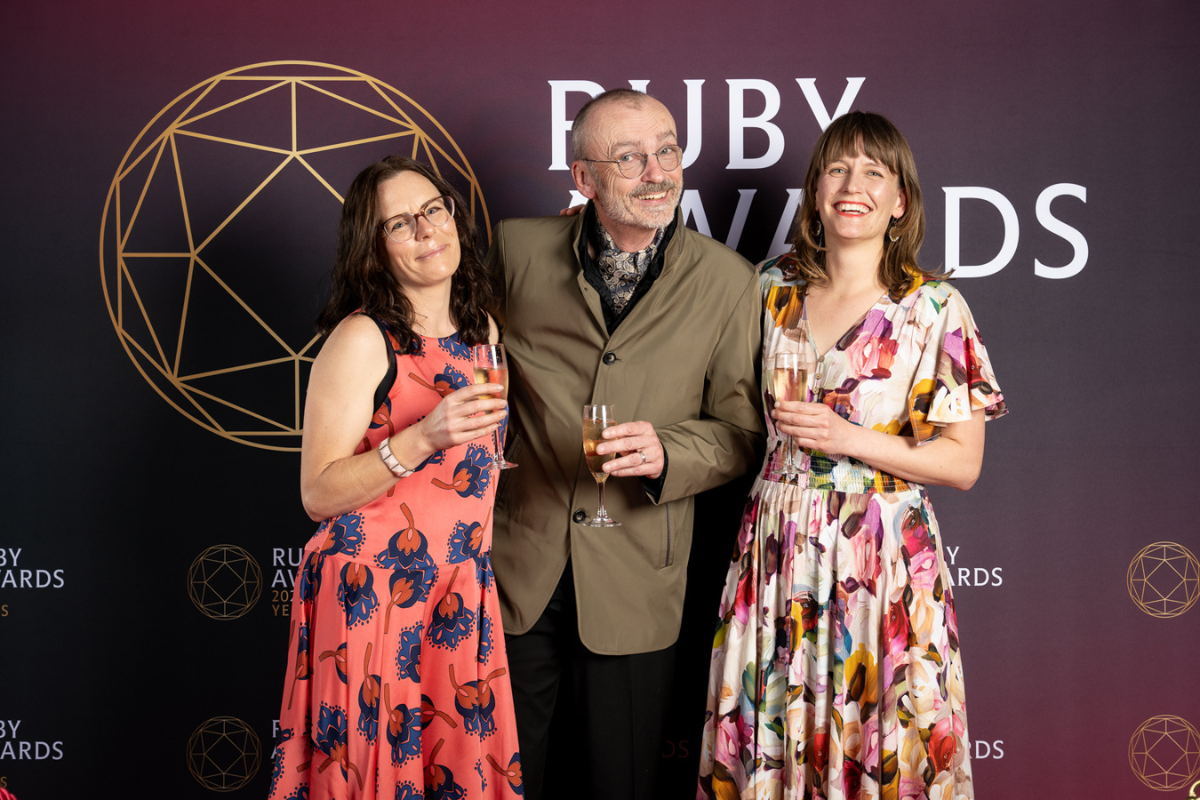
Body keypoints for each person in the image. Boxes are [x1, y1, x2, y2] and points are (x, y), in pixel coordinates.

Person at [697, 112, 1007, 800]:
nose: (852, 185)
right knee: (772, 738)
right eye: (837, 168)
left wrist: (848, 439)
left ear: (901, 200)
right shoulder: (766, 288)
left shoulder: (933, 307)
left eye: (875, 172)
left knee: (886, 742)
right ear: (815, 190)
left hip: (883, 556)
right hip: (777, 549)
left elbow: (961, 464)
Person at [487, 89, 764, 800]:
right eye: (630, 157)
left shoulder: (731, 282)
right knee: (505, 785)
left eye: (667, 150)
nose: (657, 171)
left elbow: (741, 435)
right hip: (522, 572)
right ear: (584, 179)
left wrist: (672, 452)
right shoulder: (513, 249)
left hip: (639, 577)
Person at [270, 156, 524, 800]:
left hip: (459, 588)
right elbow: (317, 493)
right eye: (400, 224)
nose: (427, 231)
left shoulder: (481, 332)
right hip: (372, 590)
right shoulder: (362, 337)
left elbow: (471, 463)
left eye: (434, 210)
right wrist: (423, 438)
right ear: (374, 249)